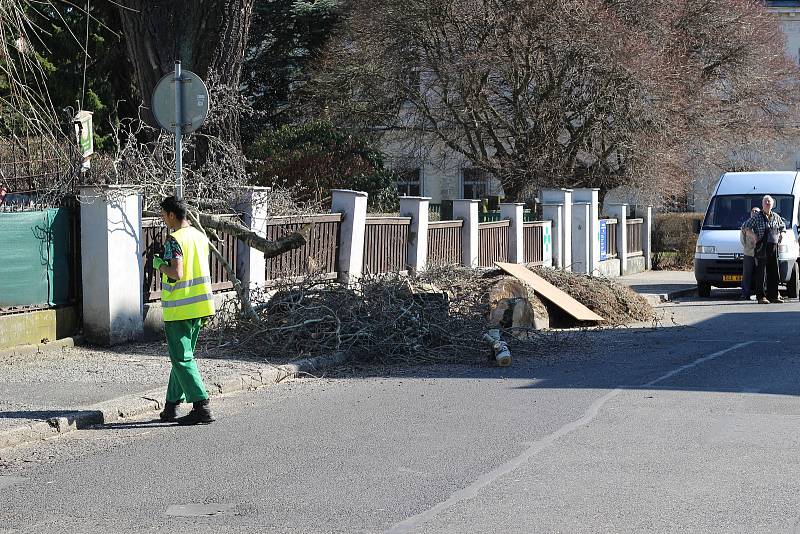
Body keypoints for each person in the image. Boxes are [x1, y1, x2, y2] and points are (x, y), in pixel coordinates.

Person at [153, 196, 215, 425]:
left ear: (171, 215)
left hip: (180, 308)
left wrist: (159, 264)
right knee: (183, 358)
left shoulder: (174, 239)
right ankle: (170, 407)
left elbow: (176, 273)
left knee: (181, 358)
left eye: (162, 214)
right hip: (200, 306)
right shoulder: (200, 237)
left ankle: (202, 406)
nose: (162, 218)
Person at [742, 195, 786, 304]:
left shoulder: (776, 216)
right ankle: (761, 297)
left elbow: (783, 227)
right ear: (762, 204)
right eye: (765, 202)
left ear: (773, 204)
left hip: (774, 249)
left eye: (769, 202)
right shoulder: (757, 217)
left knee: (774, 273)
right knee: (761, 274)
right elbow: (745, 226)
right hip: (761, 248)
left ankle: (774, 296)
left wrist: (782, 234)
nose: (767, 203)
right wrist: (753, 236)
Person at [740, 207, 760, 300]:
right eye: (753, 211)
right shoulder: (746, 224)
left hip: (760, 252)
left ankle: (760, 294)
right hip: (749, 253)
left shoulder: (761, 223)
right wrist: (748, 247)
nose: (754, 212)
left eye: (757, 211)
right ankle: (745, 294)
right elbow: (742, 239)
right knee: (746, 274)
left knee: (760, 274)